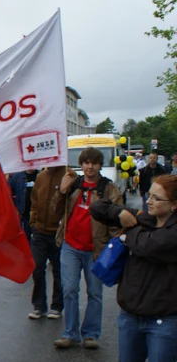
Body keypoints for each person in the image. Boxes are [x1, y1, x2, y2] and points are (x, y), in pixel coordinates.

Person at [90, 175, 177, 362]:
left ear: (174, 205)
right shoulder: (145, 219)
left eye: (156, 198)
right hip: (130, 314)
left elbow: (152, 245)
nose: (148, 200)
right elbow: (97, 208)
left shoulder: (171, 231)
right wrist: (120, 213)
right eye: (149, 195)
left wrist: (128, 232)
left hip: (165, 317)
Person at [52, 147, 123, 349]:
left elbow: (117, 217)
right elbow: (55, 211)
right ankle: (70, 333)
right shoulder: (73, 184)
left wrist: (113, 245)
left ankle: (91, 334)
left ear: (100, 165)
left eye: (94, 163)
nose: (90, 167)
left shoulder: (108, 188)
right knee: (70, 290)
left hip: (96, 249)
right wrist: (61, 191)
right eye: (86, 163)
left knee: (95, 293)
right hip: (70, 245)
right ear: (81, 164)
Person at [27, 166, 64, 320]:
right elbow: (34, 201)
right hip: (39, 231)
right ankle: (39, 306)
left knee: (58, 271)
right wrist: (33, 222)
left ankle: (56, 306)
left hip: (58, 232)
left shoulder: (68, 175)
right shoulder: (41, 176)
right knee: (37, 267)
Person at [9, 169, 39, 241]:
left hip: (37, 215)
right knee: (24, 238)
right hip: (22, 215)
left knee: (36, 239)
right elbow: (8, 193)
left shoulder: (41, 176)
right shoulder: (17, 177)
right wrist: (15, 209)